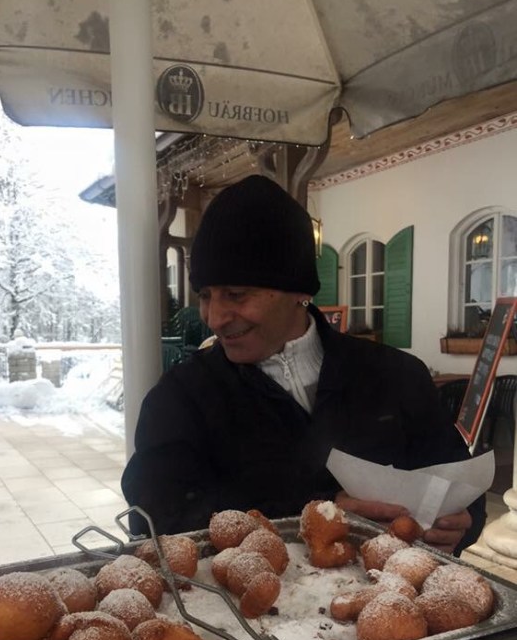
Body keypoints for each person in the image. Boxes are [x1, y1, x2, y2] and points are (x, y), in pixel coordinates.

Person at [121, 175, 485, 555]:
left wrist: (462, 523)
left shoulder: (396, 376)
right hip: (248, 594)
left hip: (391, 589)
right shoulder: (180, 398)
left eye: (236, 294)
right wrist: (314, 516)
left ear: (298, 291)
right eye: (205, 295)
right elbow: (153, 517)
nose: (215, 318)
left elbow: (459, 484)